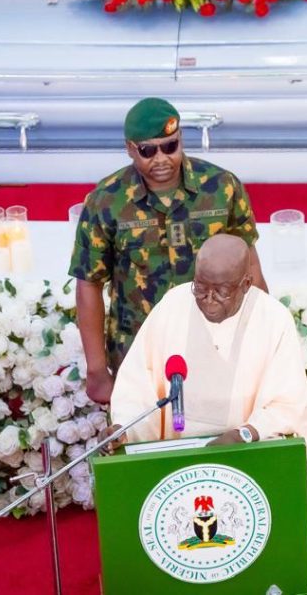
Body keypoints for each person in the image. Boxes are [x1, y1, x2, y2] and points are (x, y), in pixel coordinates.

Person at [69, 98, 267, 405]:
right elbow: (88, 284)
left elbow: (249, 266)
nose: (161, 158)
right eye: (148, 151)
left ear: (181, 139)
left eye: (170, 146)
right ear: (130, 148)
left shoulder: (221, 188)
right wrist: (96, 370)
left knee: (216, 433)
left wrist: (263, 342)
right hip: (139, 354)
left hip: (216, 346)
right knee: (142, 434)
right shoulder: (107, 200)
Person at [108, 234, 307, 447]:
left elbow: (287, 404)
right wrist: (124, 430)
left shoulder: (273, 318)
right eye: (201, 287)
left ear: (246, 284)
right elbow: (138, 385)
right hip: (175, 457)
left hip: (246, 453)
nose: (209, 299)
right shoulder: (173, 306)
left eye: (222, 291)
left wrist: (244, 434)